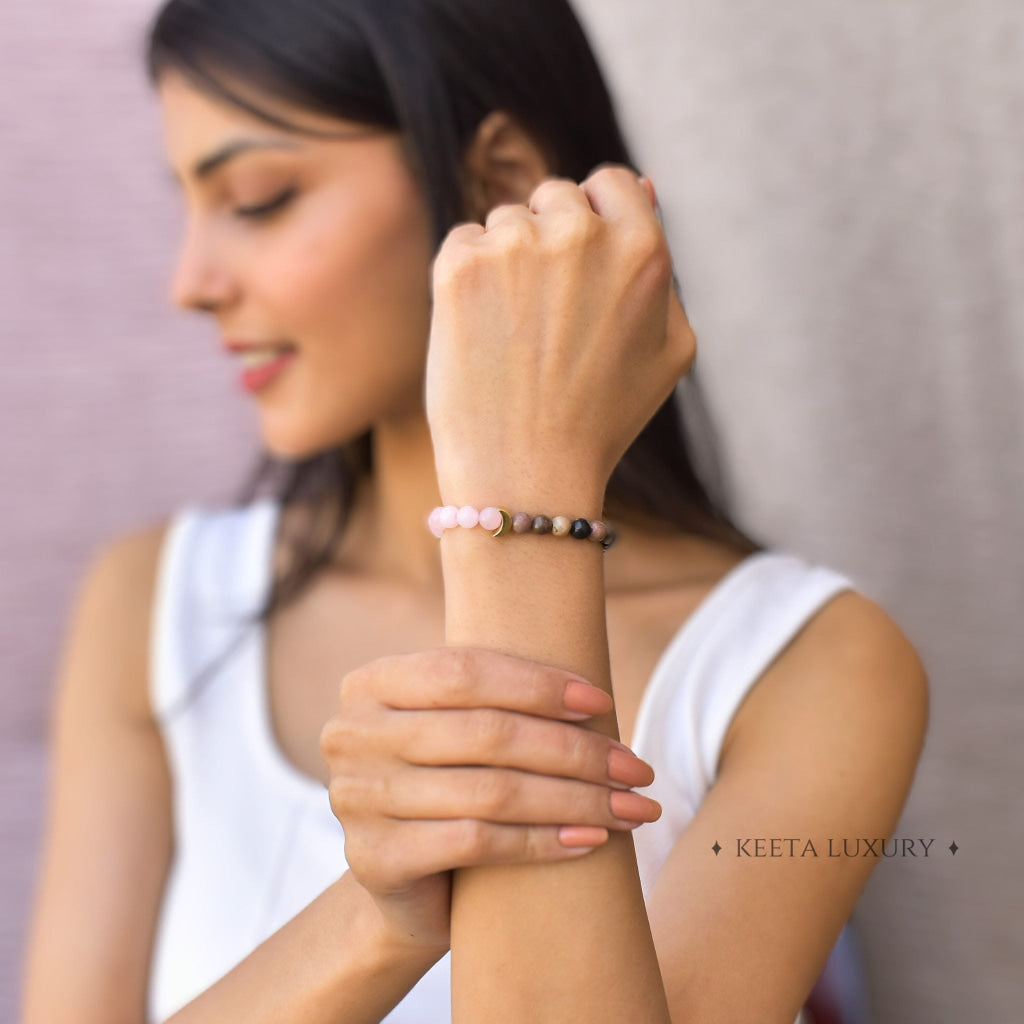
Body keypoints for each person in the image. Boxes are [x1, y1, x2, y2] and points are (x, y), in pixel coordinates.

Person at [21, 1, 929, 1022]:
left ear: (497, 179)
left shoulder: (813, 666)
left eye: (260, 197)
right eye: (187, 203)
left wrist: (525, 494)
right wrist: (374, 917)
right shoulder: (152, 604)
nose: (192, 283)